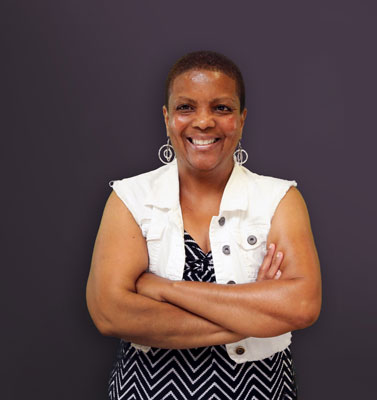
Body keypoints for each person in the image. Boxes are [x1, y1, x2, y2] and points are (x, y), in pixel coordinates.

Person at [86, 50, 322, 400]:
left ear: (242, 119)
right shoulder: (130, 198)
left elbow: (302, 305)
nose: (203, 122)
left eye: (221, 108)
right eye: (186, 108)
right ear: (167, 118)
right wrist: (253, 315)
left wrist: (163, 289)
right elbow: (109, 314)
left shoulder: (279, 199)